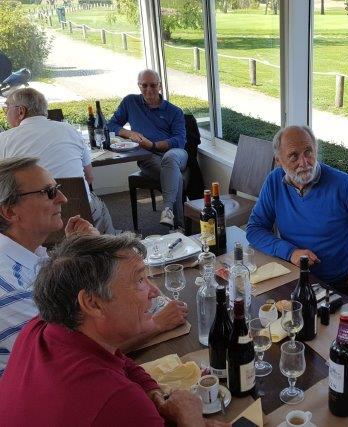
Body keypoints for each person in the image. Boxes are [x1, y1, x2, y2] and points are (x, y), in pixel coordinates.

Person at [0, 233, 227, 427]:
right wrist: (191, 419)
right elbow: (117, 400)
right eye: (140, 280)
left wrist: (153, 392)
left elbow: (115, 356)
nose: (154, 292)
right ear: (92, 303)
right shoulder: (117, 400)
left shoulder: (39, 327)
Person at [0, 157, 188, 375]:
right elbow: (66, 360)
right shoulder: (10, 290)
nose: (63, 198)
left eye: (57, 189)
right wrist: (156, 324)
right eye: (49, 192)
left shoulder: (28, 254)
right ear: (10, 212)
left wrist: (77, 252)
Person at [246, 125, 348, 293]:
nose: (304, 162)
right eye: (294, 156)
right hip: (291, 276)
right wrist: (290, 253)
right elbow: (254, 229)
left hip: (336, 285)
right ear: (278, 160)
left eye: (308, 152)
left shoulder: (342, 185)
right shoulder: (274, 181)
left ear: (315, 150)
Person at [0, 87, 115, 234]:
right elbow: (89, 177)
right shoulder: (69, 130)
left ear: (21, 111)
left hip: (32, 223)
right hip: (79, 216)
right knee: (99, 207)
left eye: (6, 108)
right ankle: (104, 245)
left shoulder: (4, 140)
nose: (5, 113)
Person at [107, 69, 187, 228]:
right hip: (147, 156)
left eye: (153, 85)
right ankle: (177, 224)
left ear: (160, 86)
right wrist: (129, 133)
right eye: (144, 85)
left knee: (170, 159)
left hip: (175, 152)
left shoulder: (174, 111)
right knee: (174, 175)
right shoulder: (130, 102)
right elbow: (111, 125)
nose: (149, 89)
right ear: (139, 86)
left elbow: (179, 140)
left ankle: (170, 213)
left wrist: (153, 145)